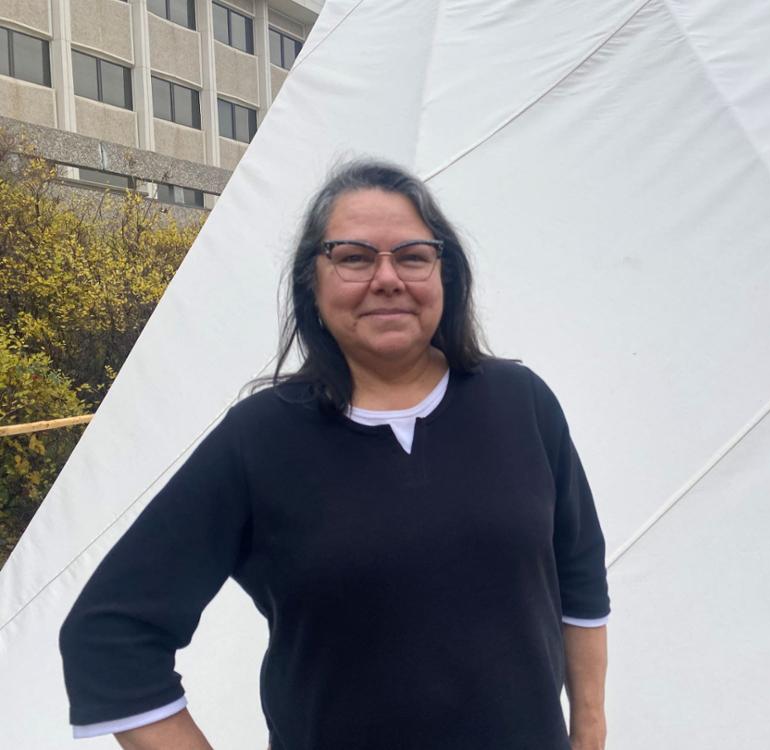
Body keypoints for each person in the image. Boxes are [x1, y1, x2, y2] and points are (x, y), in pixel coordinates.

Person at [59, 159, 611, 750]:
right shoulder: (261, 439)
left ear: (445, 275)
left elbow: (579, 577)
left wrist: (590, 731)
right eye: (353, 257)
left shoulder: (521, 404)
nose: (388, 278)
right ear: (311, 284)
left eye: (413, 255)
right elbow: (109, 635)